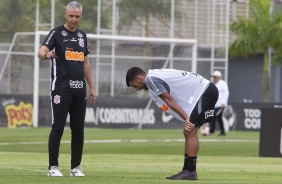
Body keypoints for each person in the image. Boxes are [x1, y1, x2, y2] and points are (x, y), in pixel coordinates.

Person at [126, 67, 218, 180]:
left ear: (138, 78)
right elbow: (166, 103)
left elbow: (169, 100)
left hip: (205, 92)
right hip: (205, 91)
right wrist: (185, 117)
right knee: (187, 132)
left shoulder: (150, 80)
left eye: (135, 85)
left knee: (190, 131)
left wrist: (186, 118)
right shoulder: (153, 75)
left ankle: (191, 172)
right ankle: (186, 170)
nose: (137, 89)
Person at [37, 1, 96, 177]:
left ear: (81, 17)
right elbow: (41, 51)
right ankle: (53, 167)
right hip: (61, 89)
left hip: (79, 89)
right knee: (58, 127)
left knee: (78, 129)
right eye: (71, 16)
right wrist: (47, 54)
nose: (74, 19)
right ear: (65, 14)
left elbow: (86, 63)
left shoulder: (82, 36)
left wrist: (92, 87)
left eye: (77, 17)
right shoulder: (56, 33)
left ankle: (75, 167)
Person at [209, 70, 229, 136]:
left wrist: (224, 103)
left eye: (215, 77)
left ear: (219, 77)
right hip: (216, 104)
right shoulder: (215, 84)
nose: (214, 78)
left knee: (214, 115)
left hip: (221, 104)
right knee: (219, 117)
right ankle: (222, 132)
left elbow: (226, 93)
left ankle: (212, 130)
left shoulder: (223, 83)